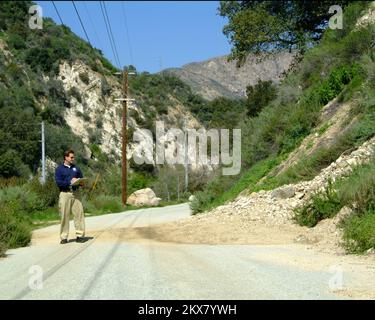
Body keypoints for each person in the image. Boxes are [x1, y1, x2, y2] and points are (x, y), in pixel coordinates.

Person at [55, 149, 86, 244]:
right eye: (71, 157)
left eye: (73, 157)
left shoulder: (76, 168)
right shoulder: (59, 169)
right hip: (65, 194)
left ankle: (80, 235)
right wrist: (70, 182)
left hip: (76, 193)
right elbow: (59, 183)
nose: (73, 158)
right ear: (66, 157)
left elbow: (81, 180)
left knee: (79, 214)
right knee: (64, 215)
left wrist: (80, 182)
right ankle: (64, 237)